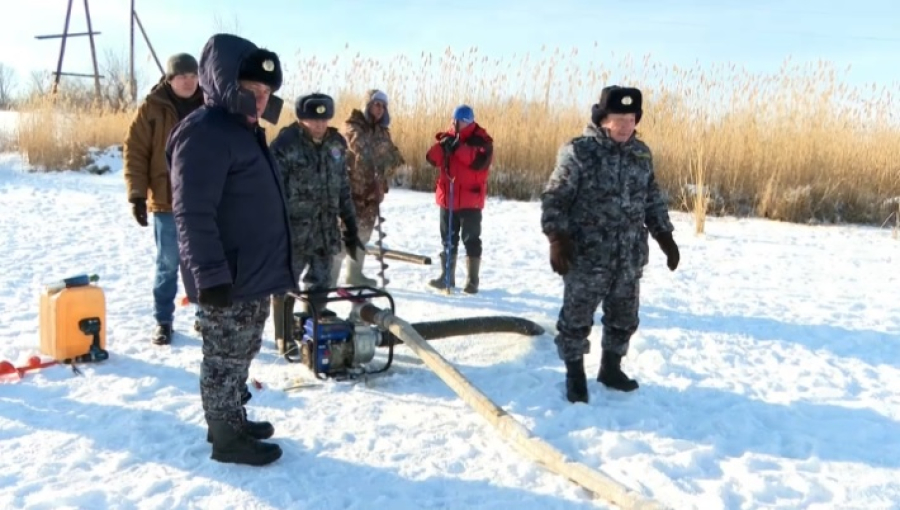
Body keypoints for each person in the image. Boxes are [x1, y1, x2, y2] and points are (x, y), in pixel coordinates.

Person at [166, 33, 297, 466]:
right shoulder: (204, 132)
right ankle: (225, 438)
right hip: (228, 275)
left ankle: (232, 419)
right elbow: (192, 213)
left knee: (241, 351)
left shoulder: (244, 130)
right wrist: (210, 277)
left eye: (266, 93)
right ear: (225, 83)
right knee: (222, 356)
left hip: (253, 272)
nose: (260, 101)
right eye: (251, 91)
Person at [540, 85, 680, 404]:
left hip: (628, 258)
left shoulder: (641, 154)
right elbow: (555, 198)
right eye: (619, 119)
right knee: (576, 320)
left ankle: (611, 368)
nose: (625, 126)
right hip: (587, 257)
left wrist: (665, 236)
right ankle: (575, 375)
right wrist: (557, 239)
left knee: (624, 318)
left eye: (631, 119)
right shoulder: (579, 152)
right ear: (603, 119)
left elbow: (652, 198)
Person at [269, 92, 363, 349]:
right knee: (284, 284)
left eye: (324, 119)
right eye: (313, 120)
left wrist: (351, 227)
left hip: (325, 230)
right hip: (293, 231)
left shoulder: (336, 144)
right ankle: (283, 336)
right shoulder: (286, 145)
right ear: (301, 119)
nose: (319, 124)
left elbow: (343, 188)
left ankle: (311, 328)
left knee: (320, 283)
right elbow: (271, 190)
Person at [123, 53, 203, 346]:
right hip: (166, 200)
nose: (189, 82)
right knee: (168, 263)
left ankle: (204, 315)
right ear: (169, 79)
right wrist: (136, 195)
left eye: (194, 76)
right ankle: (163, 320)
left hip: (204, 202)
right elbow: (135, 150)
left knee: (203, 263)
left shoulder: (209, 105)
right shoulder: (152, 108)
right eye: (182, 76)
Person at [328, 89, 405, 288]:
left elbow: (395, 158)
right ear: (368, 105)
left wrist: (384, 164)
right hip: (352, 194)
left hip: (372, 195)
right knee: (344, 239)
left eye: (383, 106)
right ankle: (327, 282)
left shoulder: (382, 132)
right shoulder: (353, 126)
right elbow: (360, 150)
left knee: (364, 236)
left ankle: (355, 274)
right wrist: (382, 155)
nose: (380, 109)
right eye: (376, 104)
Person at [424, 105, 493, 294]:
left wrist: (458, 148)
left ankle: (472, 281)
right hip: (448, 197)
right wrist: (442, 145)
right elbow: (431, 159)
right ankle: (447, 277)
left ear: (470, 121)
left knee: (471, 238)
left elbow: (479, 162)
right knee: (448, 238)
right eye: (455, 120)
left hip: (470, 198)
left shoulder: (482, 139)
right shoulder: (448, 136)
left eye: (462, 120)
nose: (457, 124)